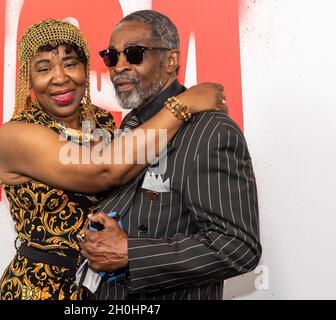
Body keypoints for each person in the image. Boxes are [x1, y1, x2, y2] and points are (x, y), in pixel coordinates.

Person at [0, 19, 227, 300]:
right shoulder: (16, 135)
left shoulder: (103, 120)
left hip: (104, 289)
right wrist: (184, 104)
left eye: (70, 64)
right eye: (44, 69)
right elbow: (104, 171)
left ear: (85, 69)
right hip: (39, 289)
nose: (60, 77)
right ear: (28, 78)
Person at [80, 10, 262, 300]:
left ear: (171, 61)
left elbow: (238, 246)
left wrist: (131, 254)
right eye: (112, 57)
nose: (119, 67)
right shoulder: (130, 124)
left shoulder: (212, 131)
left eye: (134, 54)